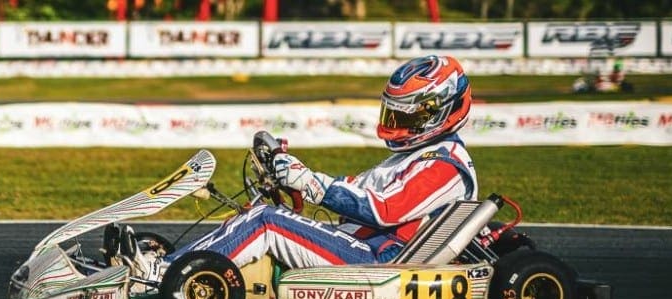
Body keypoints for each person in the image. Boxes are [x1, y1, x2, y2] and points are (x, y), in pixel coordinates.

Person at [126, 55, 478, 277]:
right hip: (360, 246)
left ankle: (162, 274)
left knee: (266, 223)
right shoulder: (411, 158)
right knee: (262, 211)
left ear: (439, 111)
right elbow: (353, 188)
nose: (397, 123)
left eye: (407, 115)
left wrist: (313, 185)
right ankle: (169, 263)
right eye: (394, 113)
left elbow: (384, 210)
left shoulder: (446, 167)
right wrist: (297, 178)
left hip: (382, 264)